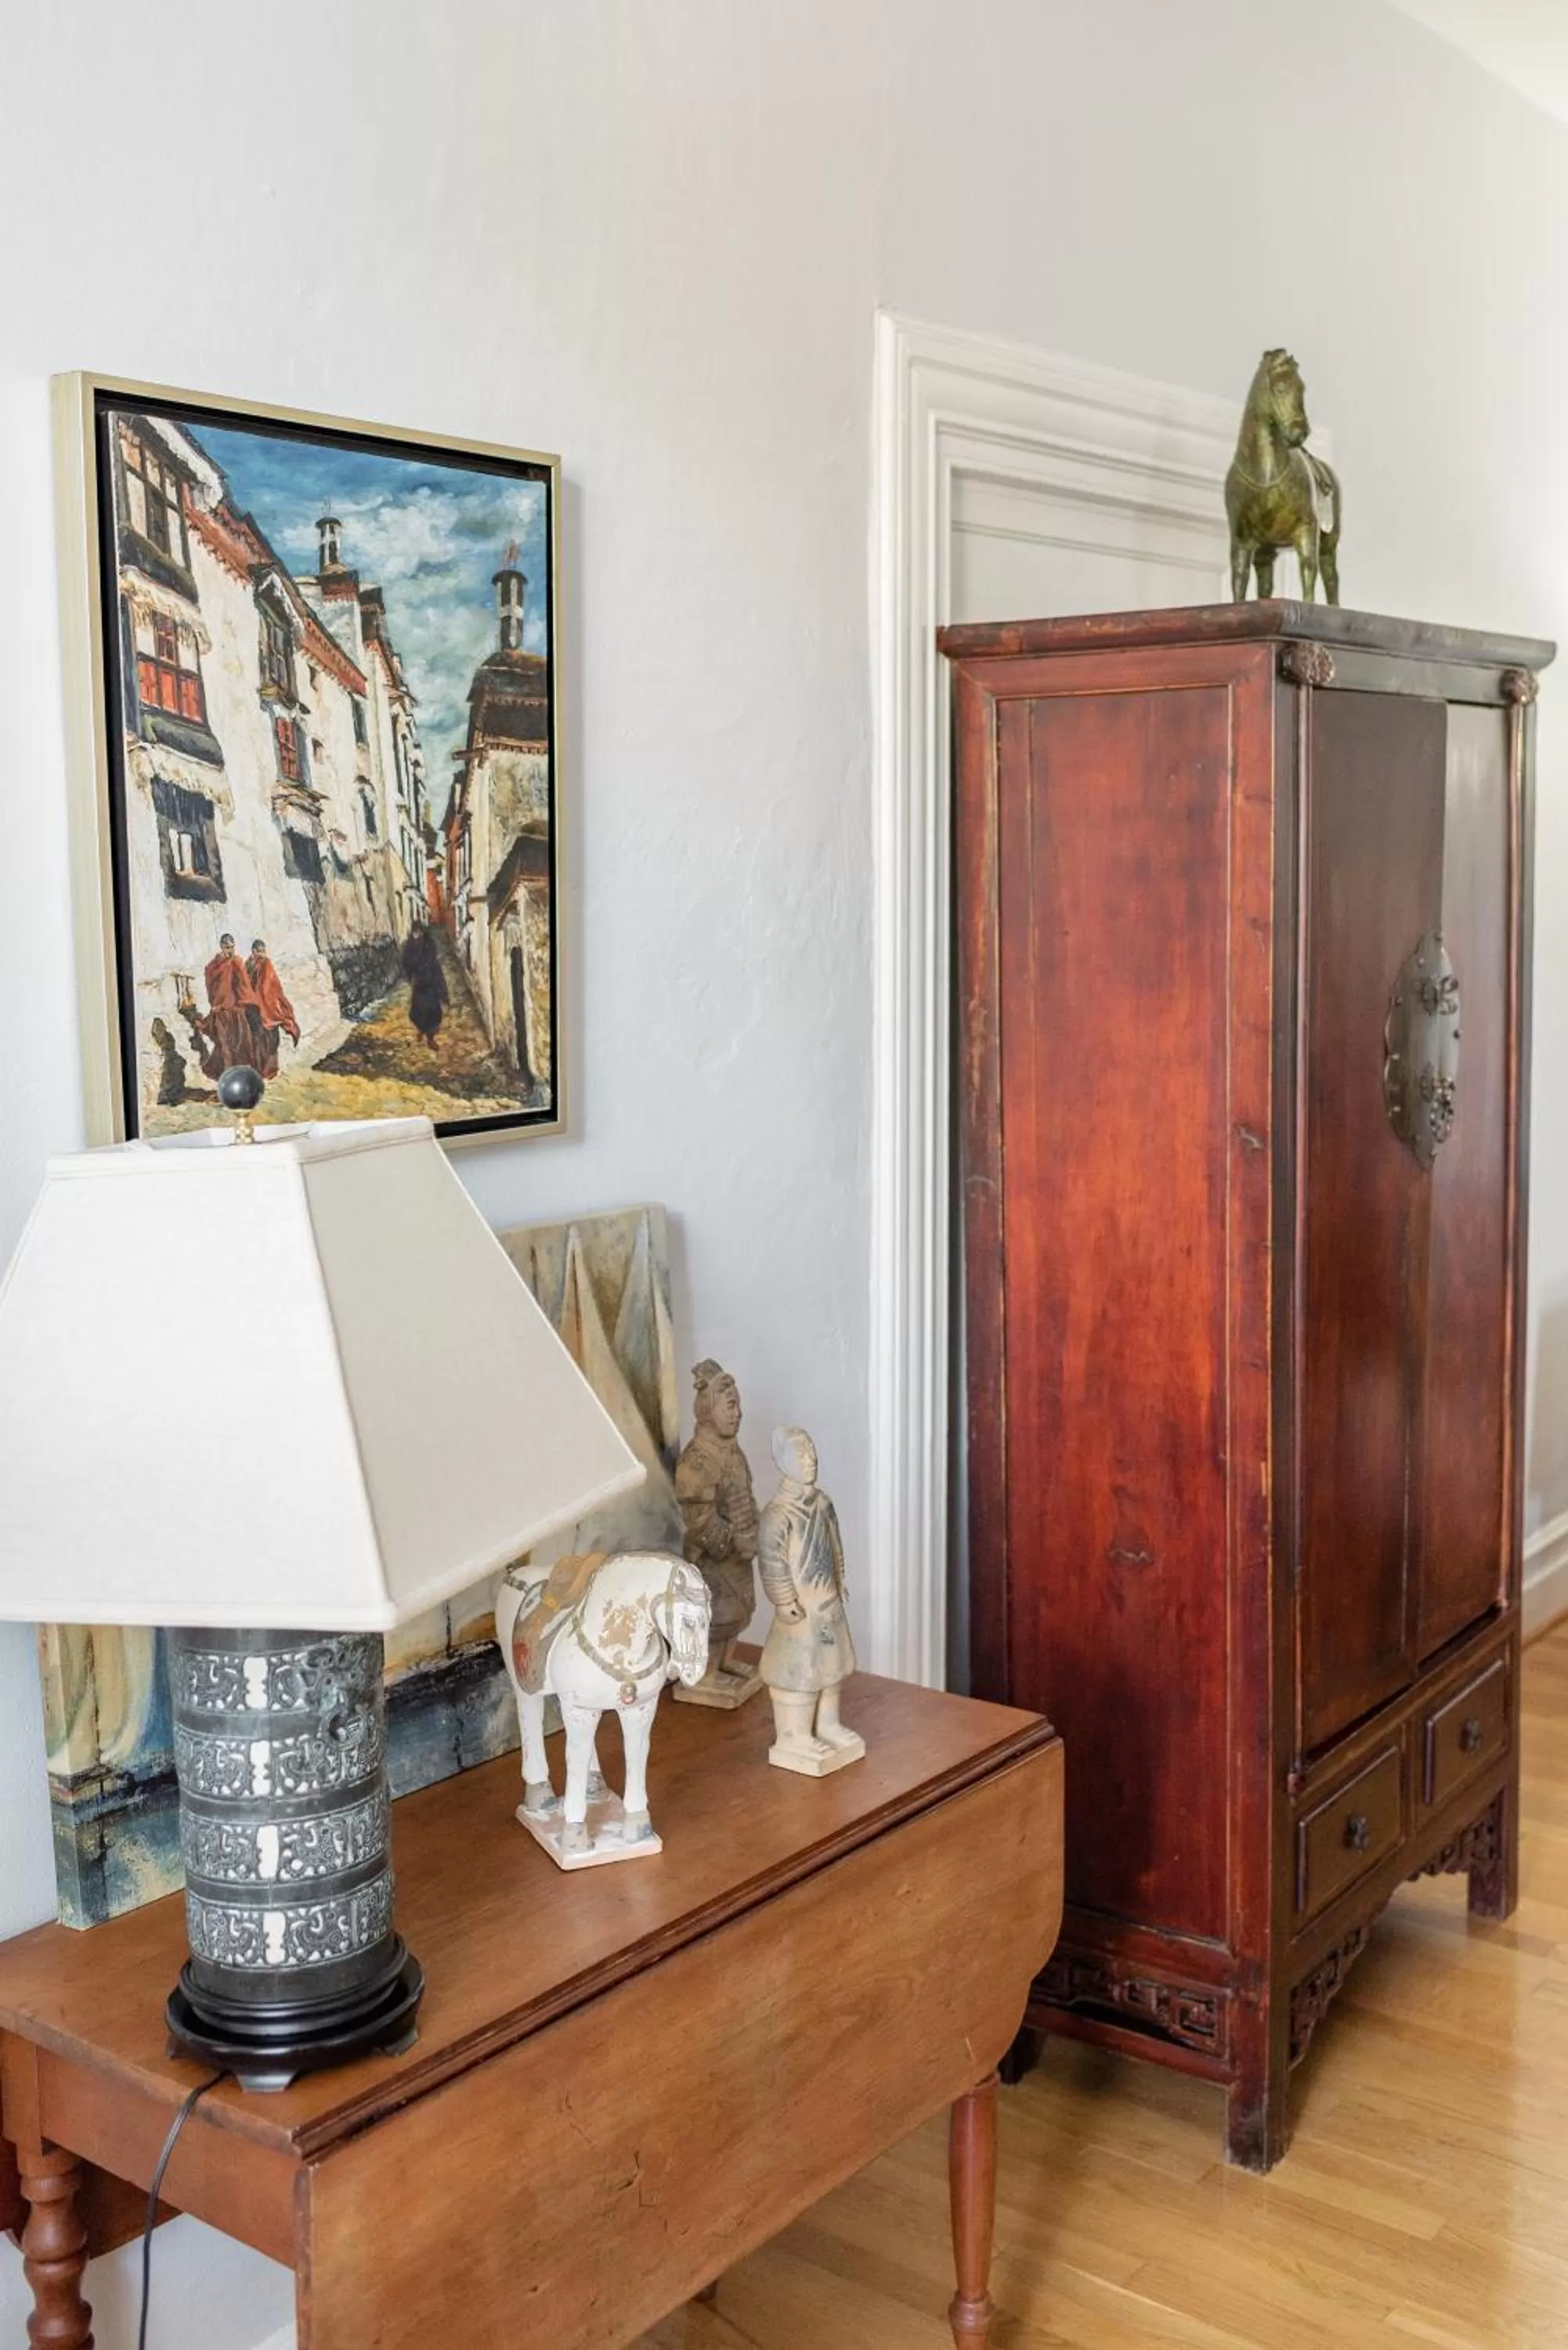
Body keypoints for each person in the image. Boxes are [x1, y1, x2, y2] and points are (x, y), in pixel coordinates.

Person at [757, 1425, 864, 1773]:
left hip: (827, 1602)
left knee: (831, 1670)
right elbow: (772, 1561)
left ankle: (828, 1724)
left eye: (812, 1452)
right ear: (782, 1461)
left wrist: (840, 1578)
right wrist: (784, 1599)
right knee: (799, 1673)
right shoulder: (777, 1514)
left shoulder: (823, 1503)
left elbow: (835, 1545)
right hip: (800, 1612)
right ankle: (794, 1736)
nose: (810, 1460)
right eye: (801, 1454)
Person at [674, 1359, 761, 1701]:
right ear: (707, 1411)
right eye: (729, 1406)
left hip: (738, 1555)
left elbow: (745, 1494)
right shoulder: (695, 1463)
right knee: (717, 1616)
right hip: (713, 1559)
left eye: (738, 1405)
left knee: (740, 1611)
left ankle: (726, 1662)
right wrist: (732, 1541)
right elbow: (699, 1521)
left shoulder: (733, 1452)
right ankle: (704, 1675)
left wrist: (753, 1526)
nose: (737, 1413)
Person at [193, 935, 263, 1075]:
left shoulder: (237, 962)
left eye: (232, 947)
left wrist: (249, 1002)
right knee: (224, 1045)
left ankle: (244, 1075)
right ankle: (227, 1076)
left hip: (237, 1011)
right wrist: (216, 1003)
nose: (229, 950)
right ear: (221, 947)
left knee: (242, 1044)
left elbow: (244, 985)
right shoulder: (215, 964)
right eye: (227, 947)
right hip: (222, 1011)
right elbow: (210, 979)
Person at [245, 938, 299, 1079]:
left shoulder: (267, 964)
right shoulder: (249, 964)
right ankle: (259, 1071)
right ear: (253, 952)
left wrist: (260, 1001)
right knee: (258, 1041)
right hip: (254, 1009)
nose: (262, 954)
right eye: (259, 951)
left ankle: (270, 1072)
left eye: (264, 951)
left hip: (268, 1008)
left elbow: (267, 987)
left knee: (270, 1041)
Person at [401, 920, 448, 1047]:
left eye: (419, 932)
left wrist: (442, 991)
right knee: (418, 1011)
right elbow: (406, 963)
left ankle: (430, 1038)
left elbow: (434, 964)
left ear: (422, 932)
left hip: (430, 983)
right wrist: (411, 976)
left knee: (432, 1012)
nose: (417, 935)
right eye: (415, 933)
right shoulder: (409, 946)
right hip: (419, 985)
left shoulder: (429, 945)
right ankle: (422, 1030)